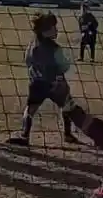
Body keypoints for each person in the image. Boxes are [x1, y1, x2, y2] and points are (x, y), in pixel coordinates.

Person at [6, 12, 79, 146]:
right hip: (56, 85)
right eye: (53, 27)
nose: (56, 30)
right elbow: (64, 66)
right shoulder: (55, 48)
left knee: (30, 109)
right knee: (67, 106)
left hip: (37, 83)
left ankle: (25, 134)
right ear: (45, 31)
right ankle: (68, 134)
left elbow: (28, 61)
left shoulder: (32, 46)